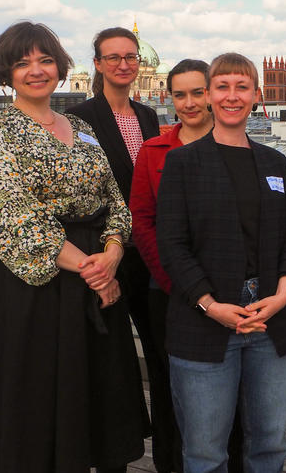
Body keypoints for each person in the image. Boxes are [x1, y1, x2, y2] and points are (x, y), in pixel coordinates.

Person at [0, 21, 148, 472]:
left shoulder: (79, 126)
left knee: (99, 398)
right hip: (37, 287)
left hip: (99, 274)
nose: (36, 70)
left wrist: (114, 253)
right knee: (36, 399)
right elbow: (14, 215)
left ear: (60, 67)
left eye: (45, 60)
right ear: (7, 74)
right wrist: (93, 270)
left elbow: (114, 199)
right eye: (23, 63)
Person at [157, 52, 286, 473]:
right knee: (205, 454)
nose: (232, 96)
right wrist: (209, 304)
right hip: (203, 321)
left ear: (257, 95)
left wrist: (282, 294)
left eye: (242, 87)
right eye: (222, 87)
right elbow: (172, 245)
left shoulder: (275, 162)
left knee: (269, 447)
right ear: (208, 96)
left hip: (271, 320)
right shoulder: (183, 163)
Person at [131, 59, 247, 473]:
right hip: (169, 293)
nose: (190, 103)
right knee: (170, 390)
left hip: (228, 294)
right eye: (180, 94)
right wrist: (177, 281)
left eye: (198, 92)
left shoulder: (239, 147)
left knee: (231, 392)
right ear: (169, 98)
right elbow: (142, 221)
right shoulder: (154, 150)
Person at [67, 26, 164, 452]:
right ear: (98, 65)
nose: (124, 64)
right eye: (114, 57)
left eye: (130, 57)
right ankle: (111, 450)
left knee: (161, 355)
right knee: (110, 362)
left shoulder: (146, 116)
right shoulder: (80, 117)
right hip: (104, 253)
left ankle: (168, 450)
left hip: (146, 251)